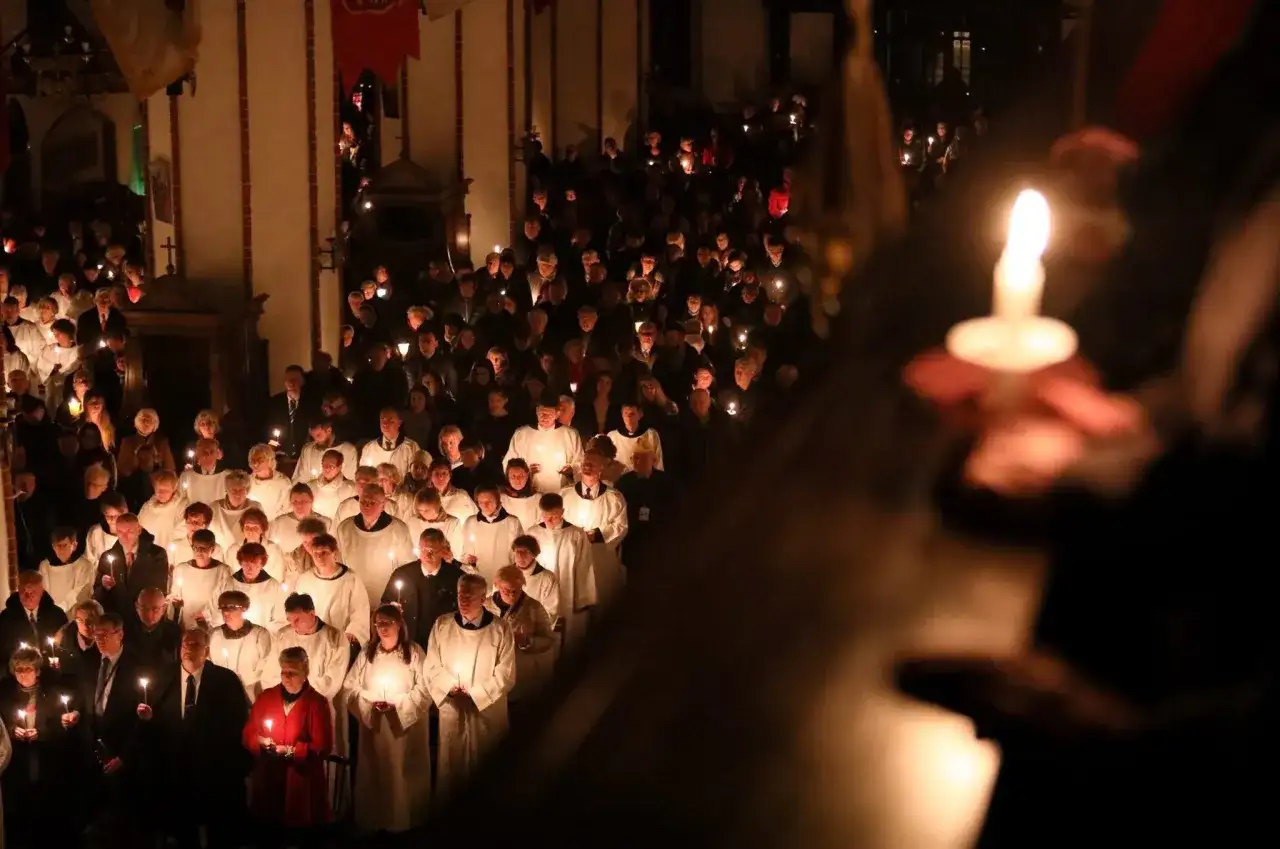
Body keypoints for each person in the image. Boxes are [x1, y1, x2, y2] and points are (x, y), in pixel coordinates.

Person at [141, 628, 250, 849]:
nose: (189, 649)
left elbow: (236, 723)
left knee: (215, 831)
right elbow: (158, 720)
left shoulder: (225, 680)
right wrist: (150, 718)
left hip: (212, 768)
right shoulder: (165, 677)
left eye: (195, 645)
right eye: (185, 644)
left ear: (207, 651)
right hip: (176, 769)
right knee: (183, 832)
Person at [423, 573, 516, 798]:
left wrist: (476, 694)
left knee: (485, 766)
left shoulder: (500, 629)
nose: (463, 601)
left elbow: (506, 673)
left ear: (484, 598)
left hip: (485, 710)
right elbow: (432, 665)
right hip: (453, 708)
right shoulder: (442, 625)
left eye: (470, 596)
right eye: (460, 595)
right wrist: (449, 688)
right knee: (452, 767)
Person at [344, 604, 431, 834]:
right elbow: (349, 688)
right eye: (378, 623)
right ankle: (375, 820)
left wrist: (398, 705)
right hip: (375, 726)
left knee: (401, 773)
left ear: (399, 624)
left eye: (387, 622)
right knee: (376, 773)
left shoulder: (413, 652)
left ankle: (402, 821)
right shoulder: (367, 653)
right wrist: (370, 703)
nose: (382, 628)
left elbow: (425, 688)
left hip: (403, 727)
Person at [243, 647, 333, 843]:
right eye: (283, 672)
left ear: (305, 673)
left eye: (292, 673)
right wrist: (259, 741)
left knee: (296, 835)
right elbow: (249, 732)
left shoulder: (316, 703)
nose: (286, 677)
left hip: (300, 779)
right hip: (269, 776)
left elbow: (323, 744)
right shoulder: (267, 697)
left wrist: (293, 751)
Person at [0, 647, 81, 847]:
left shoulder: (51, 693)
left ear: (37, 671)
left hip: (46, 758)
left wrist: (41, 733)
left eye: (28, 669)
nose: (23, 674)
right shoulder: (4, 693)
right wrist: (12, 730)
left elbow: (61, 727)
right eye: (18, 669)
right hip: (16, 762)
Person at [380, 528, 463, 649]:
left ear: (442, 551)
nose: (427, 555)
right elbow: (385, 604)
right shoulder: (403, 574)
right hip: (408, 641)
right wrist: (393, 608)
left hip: (443, 642)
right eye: (423, 550)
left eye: (432, 550)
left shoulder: (456, 577)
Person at [489, 564, 555, 714]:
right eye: (506, 591)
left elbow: (548, 639)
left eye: (516, 591)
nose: (512, 595)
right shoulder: (486, 607)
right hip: (491, 672)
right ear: (497, 586)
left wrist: (526, 642)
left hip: (521, 672)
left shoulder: (534, 608)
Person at [209, 590, 274, 702]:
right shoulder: (214, 635)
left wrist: (243, 680)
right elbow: (209, 662)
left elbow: (266, 663)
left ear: (244, 609)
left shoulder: (259, 634)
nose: (226, 613)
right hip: (220, 693)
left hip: (251, 693)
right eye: (223, 608)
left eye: (232, 608)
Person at [0, 571, 68, 668]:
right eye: (24, 592)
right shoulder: (6, 618)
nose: (28, 597)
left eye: (33, 592)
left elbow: (66, 649)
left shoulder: (57, 616)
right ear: (18, 591)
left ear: (41, 591)